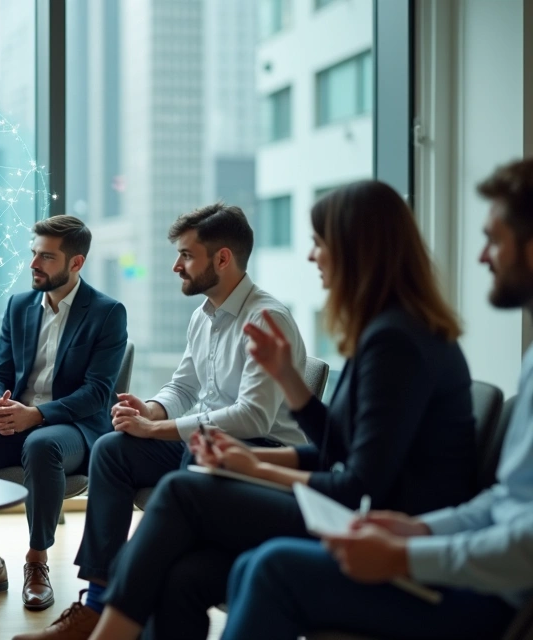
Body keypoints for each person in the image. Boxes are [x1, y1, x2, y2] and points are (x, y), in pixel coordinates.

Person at [88, 180, 479, 640]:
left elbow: (355, 481)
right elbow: (340, 448)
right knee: (182, 576)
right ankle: (99, 608)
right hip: (347, 505)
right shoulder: (381, 331)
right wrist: (288, 392)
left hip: (378, 528)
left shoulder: (396, 341)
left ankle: (104, 630)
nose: (312, 256)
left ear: (357, 250)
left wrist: (256, 463)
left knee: (181, 491)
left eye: (319, 243)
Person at [220, 159, 533, 640]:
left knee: (266, 567)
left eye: (494, 239)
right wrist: (423, 532)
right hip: (470, 560)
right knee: (247, 566)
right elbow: (507, 503)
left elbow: (523, 545)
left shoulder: (397, 341)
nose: (481, 258)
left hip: (496, 595)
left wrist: (408, 554)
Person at [20, 203, 308, 640]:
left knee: (184, 462)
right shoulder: (204, 315)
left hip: (262, 449)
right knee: (112, 449)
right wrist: (150, 410)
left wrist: (159, 430)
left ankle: (124, 607)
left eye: (187, 255)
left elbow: (252, 417)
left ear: (223, 258)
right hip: (205, 439)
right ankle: (97, 602)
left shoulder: (266, 318)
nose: (176, 266)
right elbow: (184, 387)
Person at [0, 214, 128, 611]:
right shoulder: (19, 305)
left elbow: (97, 393)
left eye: (46, 257)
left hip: (72, 429)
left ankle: (36, 561)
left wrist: (37, 416)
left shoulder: (107, 313)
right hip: (16, 420)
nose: (33, 264)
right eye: (32, 254)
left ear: (75, 263)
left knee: (42, 444)